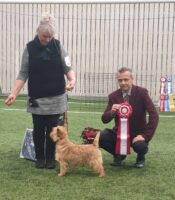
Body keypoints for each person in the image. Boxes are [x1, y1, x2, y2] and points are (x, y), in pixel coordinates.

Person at [5, 13, 76, 169]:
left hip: (57, 97)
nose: (47, 40)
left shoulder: (59, 46)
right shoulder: (29, 48)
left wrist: (72, 80)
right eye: (44, 36)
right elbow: (23, 73)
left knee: (53, 130)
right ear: (38, 32)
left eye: (50, 37)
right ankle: (39, 158)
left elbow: (68, 68)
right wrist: (13, 93)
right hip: (37, 98)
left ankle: (50, 159)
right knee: (38, 129)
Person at [99, 67, 159, 168]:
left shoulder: (142, 93)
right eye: (120, 80)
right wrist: (112, 112)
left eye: (126, 79)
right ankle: (119, 154)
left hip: (138, 133)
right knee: (101, 136)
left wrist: (145, 136)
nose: (123, 83)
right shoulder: (113, 96)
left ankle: (140, 157)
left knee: (141, 146)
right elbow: (104, 119)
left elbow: (154, 115)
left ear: (132, 79)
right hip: (119, 133)